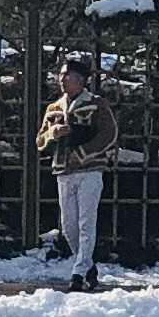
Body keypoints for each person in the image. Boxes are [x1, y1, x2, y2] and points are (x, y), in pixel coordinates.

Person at [37, 52, 116, 291]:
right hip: (63, 171)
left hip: (90, 169)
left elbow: (109, 133)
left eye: (68, 76)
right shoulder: (53, 108)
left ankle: (78, 273)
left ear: (80, 79)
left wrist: (84, 153)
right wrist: (52, 134)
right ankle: (88, 264)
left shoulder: (96, 104)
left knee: (85, 222)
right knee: (68, 225)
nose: (62, 80)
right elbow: (39, 141)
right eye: (61, 75)